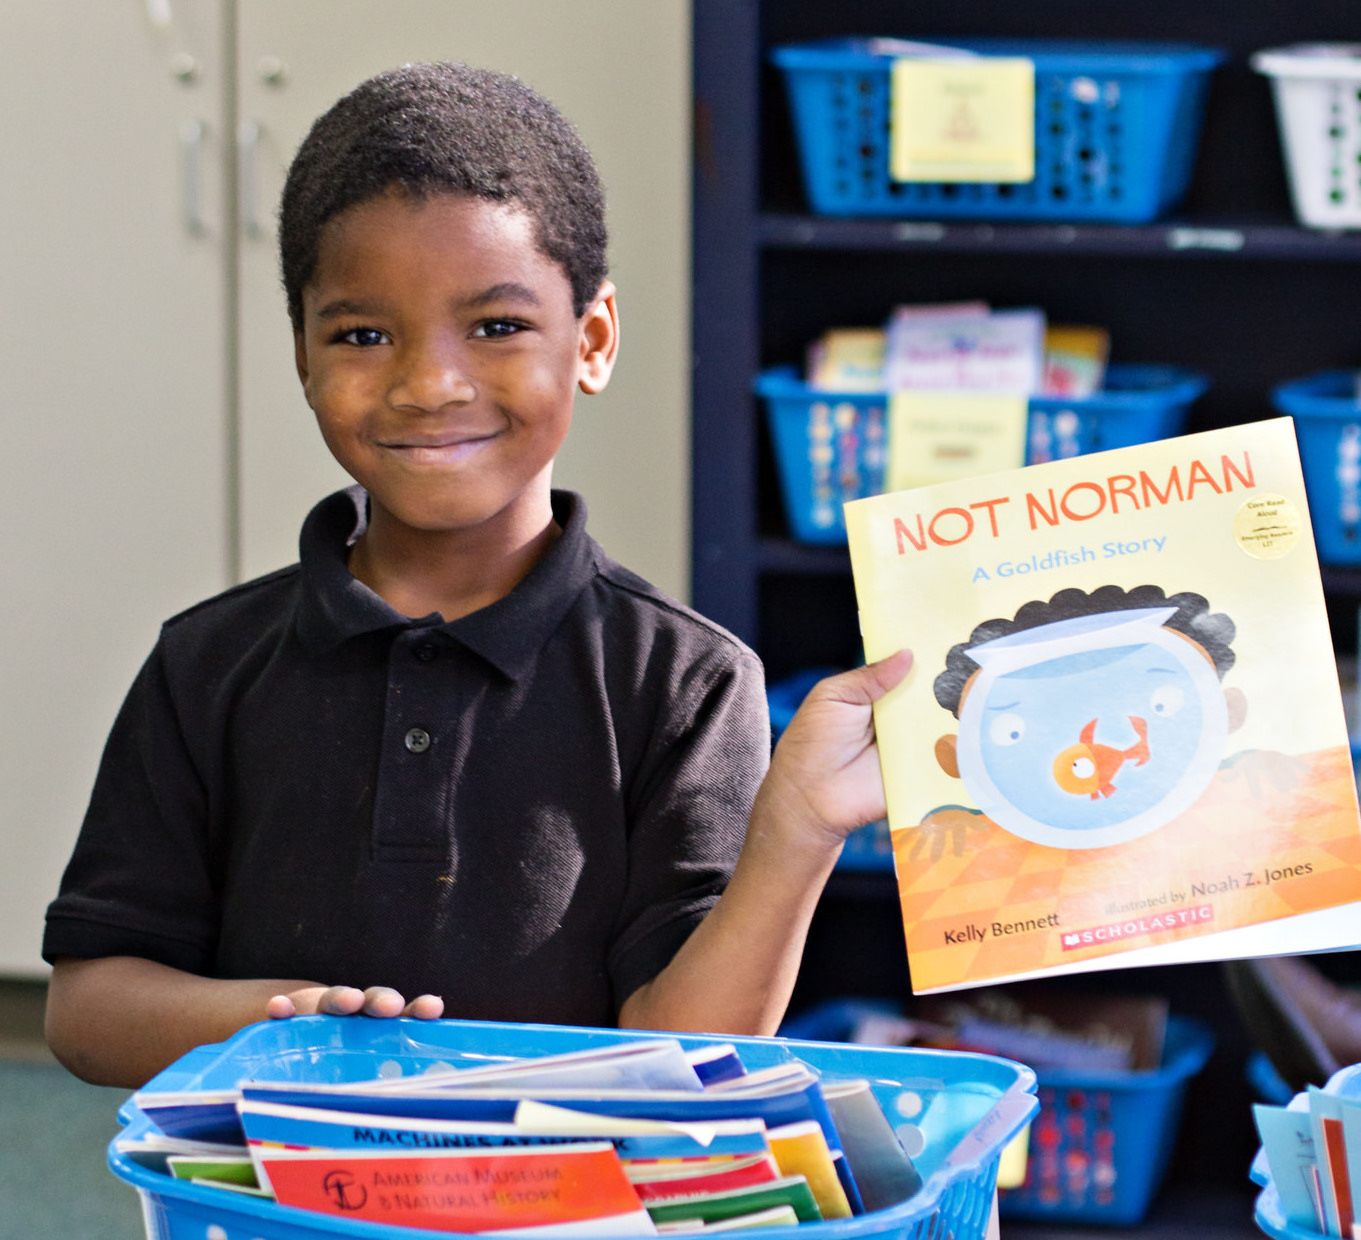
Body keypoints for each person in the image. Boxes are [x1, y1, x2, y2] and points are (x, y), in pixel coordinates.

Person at [41, 62, 911, 1089]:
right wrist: (286, 1029)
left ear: (590, 340)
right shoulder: (206, 663)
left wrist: (797, 832)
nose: (429, 384)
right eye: (364, 335)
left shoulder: (683, 679)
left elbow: (681, 1049)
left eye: (496, 326)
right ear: (302, 356)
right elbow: (87, 1010)